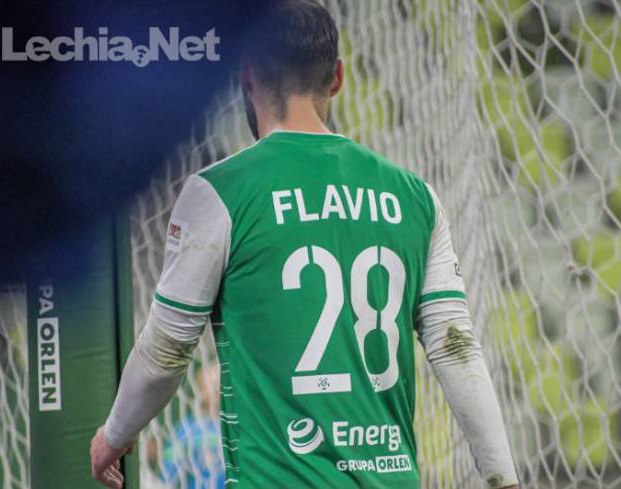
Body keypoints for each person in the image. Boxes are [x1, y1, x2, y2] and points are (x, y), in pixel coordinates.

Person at [90, 1, 519, 487]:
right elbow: (456, 349)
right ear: (336, 78)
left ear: (247, 76)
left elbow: (165, 354)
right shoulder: (415, 197)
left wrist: (113, 437)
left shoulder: (219, 194)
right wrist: (504, 479)